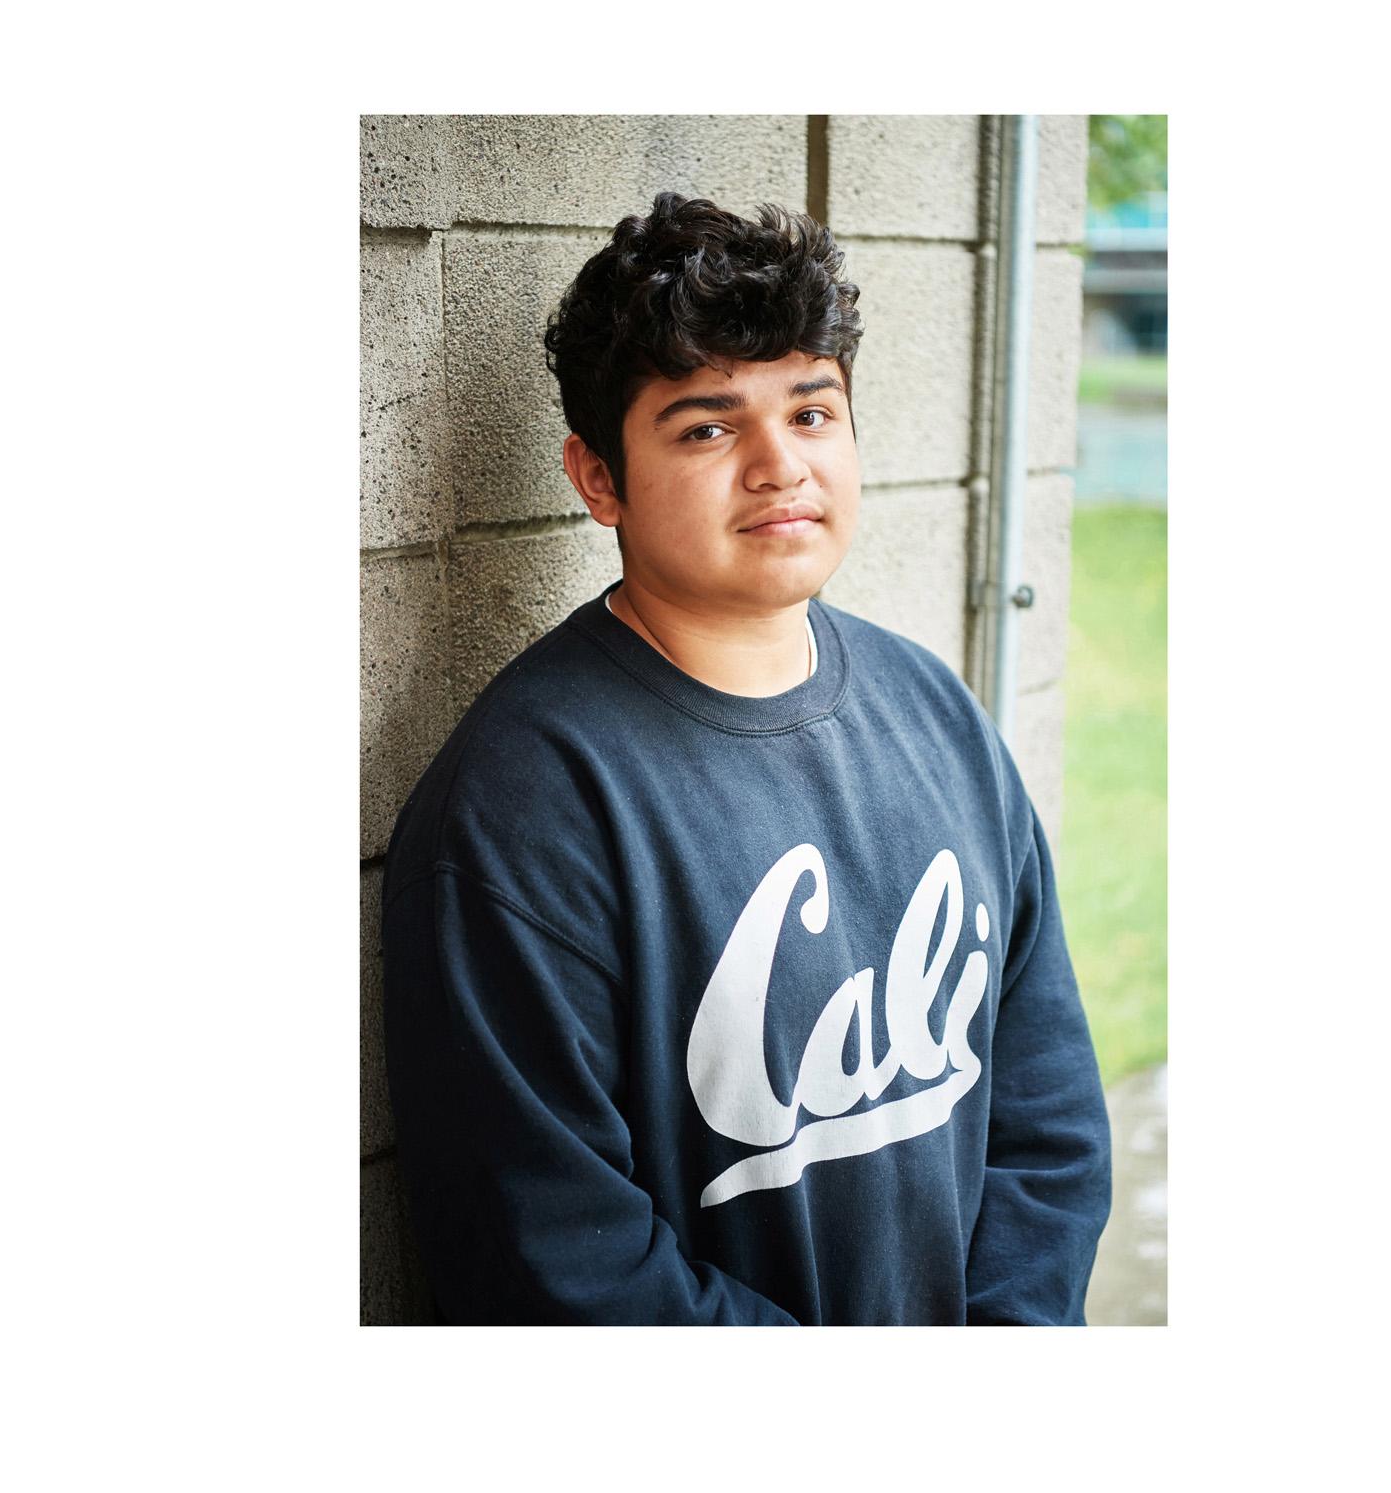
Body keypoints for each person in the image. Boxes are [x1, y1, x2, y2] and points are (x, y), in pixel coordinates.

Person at [381, 192, 1110, 1324]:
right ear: (598, 478)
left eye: (812, 412)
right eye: (708, 429)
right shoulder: (523, 809)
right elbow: (559, 1265)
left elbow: (1046, 1120)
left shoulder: (937, 715)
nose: (780, 466)